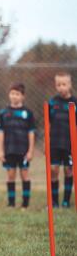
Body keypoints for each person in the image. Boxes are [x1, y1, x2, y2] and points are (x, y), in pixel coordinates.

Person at [0, 83, 36, 209]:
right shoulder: (4, 113)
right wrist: (0, 151)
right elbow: (1, 133)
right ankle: (11, 203)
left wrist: (31, 150)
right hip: (9, 149)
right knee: (10, 175)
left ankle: (25, 203)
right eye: (12, 93)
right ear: (9, 95)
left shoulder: (28, 113)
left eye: (17, 94)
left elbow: (31, 133)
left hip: (23, 150)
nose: (14, 96)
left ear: (23, 96)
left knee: (24, 174)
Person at [48, 72, 77, 208]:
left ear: (70, 85)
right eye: (58, 84)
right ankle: (54, 202)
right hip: (54, 143)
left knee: (69, 170)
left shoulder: (75, 102)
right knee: (53, 170)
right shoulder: (52, 102)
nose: (61, 87)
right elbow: (48, 123)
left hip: (70, 144)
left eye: (64, 84)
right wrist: (46, 143)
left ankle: (66, 201)